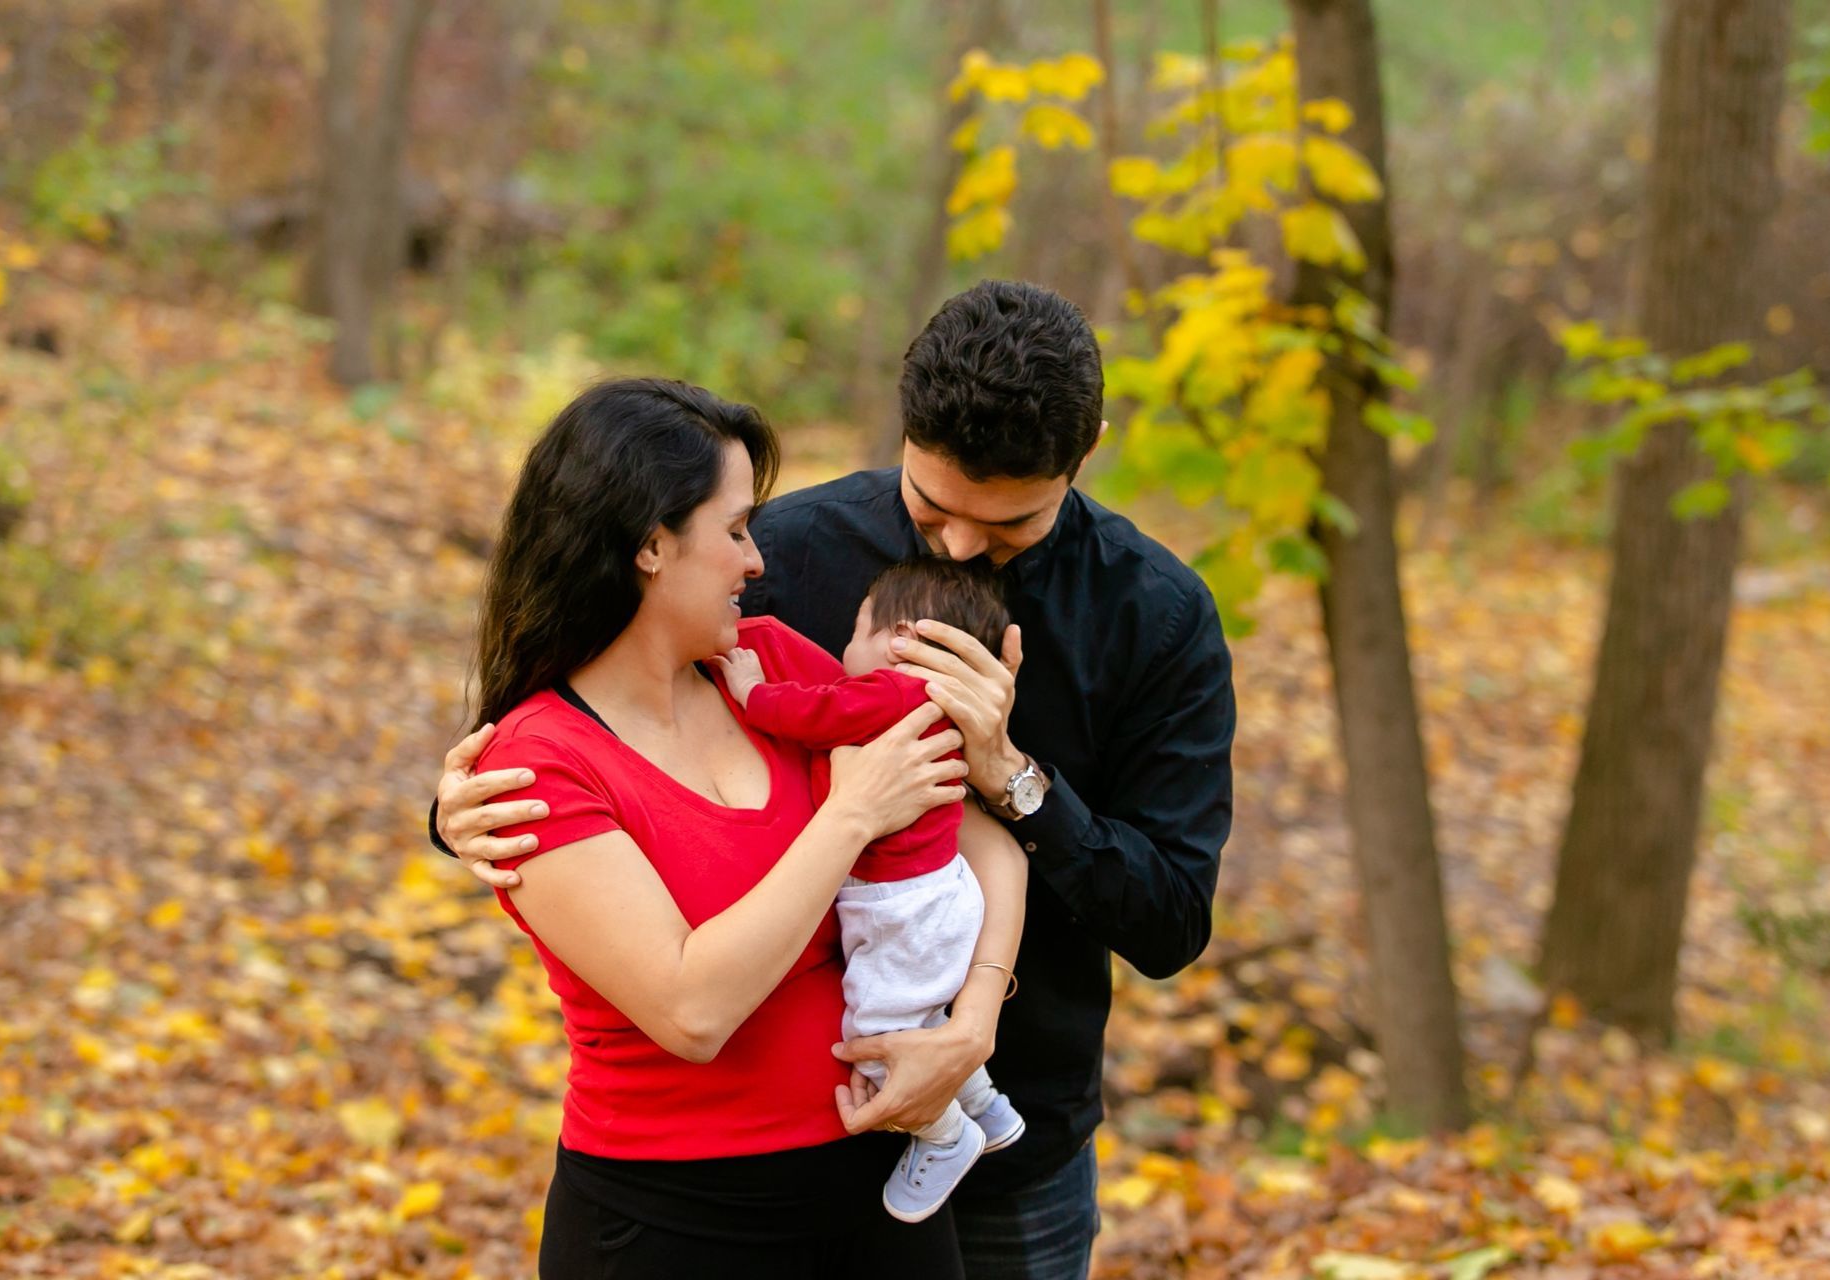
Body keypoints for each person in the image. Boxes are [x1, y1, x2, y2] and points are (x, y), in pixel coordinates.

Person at [435, 281, 1237, 1280]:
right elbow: (605, 710)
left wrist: (1013, 784)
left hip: (1009, 1134)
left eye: (1009, 523)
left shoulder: (1154, 616)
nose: (957, 545)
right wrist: (462, 812)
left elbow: (1167, 920)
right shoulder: (778, 571)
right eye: (933, 504)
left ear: (1086, 454)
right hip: (768, 1163)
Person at [457, 375, 1029, 1278]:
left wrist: (974, 1026)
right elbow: (692, 1012)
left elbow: (984, 843)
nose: (757, 562)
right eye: (732, 531)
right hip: (676, 1218)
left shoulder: (768, 666)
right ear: (650, 544)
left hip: (879, 1194)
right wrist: (848, 816)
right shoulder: (538, 762)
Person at [716, 555, 1029, 1223]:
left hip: (902, 904)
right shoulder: (941, 706)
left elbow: (817, 714)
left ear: (900, 641)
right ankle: (988, 1107)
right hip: (943, 892)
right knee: (928, 1016)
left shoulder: (892, 692)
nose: (843, 650)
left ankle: (946, 1137)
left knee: (880, 1027)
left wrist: (750, 693)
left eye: (856, 631)